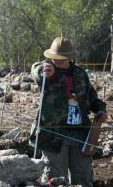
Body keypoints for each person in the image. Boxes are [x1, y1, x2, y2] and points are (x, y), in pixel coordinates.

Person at [30, 37, 107, 186]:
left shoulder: (80, 74)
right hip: (53, 135)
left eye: (62, 59)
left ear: (70, 58)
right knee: (55, 177)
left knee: (83, 176)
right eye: (55, 58)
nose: (58, 62)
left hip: (80, 134)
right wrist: (45, 72)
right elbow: (36, 71)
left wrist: (101, 110)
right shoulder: (46, 70)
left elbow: (92, 99)